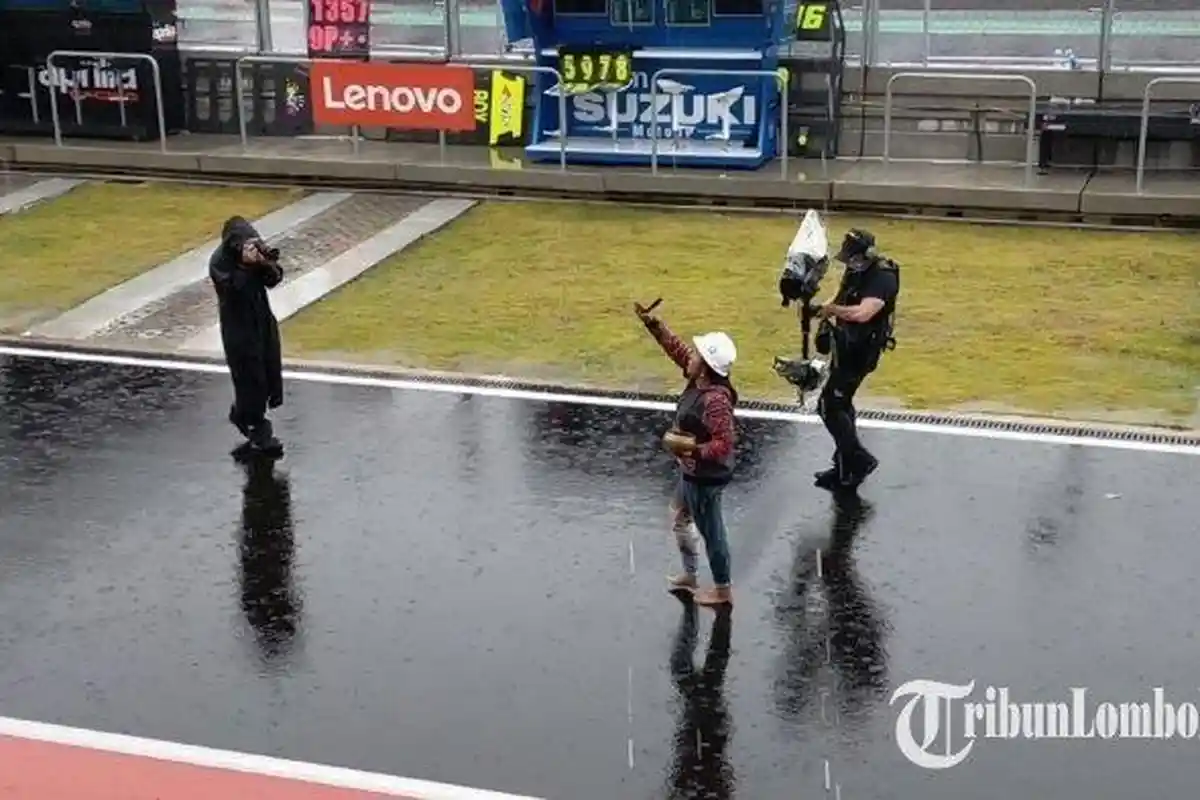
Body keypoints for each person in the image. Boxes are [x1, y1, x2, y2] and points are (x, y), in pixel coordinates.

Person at [635, 302, 738, 608]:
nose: (689, 357)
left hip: (705, 478)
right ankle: (691, 575)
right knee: (680, 519)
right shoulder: (699, 378)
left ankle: (723, 591)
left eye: (696, 355)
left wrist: (692, 449)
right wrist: (654, 325)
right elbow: (676, 349)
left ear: (705, 365)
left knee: (712, 533)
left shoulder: (716, 401)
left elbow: (724, 444)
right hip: (691, 472)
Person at [813, 228, 900, 491]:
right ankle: (844, 467)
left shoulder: (882, 276)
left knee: (830, 405)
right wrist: (819, 309)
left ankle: (858, 460)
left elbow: (864, 313)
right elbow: (841, 297)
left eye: (853, 258)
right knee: (841, 404)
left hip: (862, 350)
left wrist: (831, 310)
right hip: (846, 344)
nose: (849, 263)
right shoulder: (855, 270)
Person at [210, 216, 285, 457]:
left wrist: (264, 263)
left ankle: (242, 414)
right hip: (238, 327)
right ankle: (258, 430)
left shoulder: (256, 254)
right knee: (250, 379)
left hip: (262, 320)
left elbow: (274, 279)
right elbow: (232, 291)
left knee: (269, 369)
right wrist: (244, 266)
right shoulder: (220, 261)